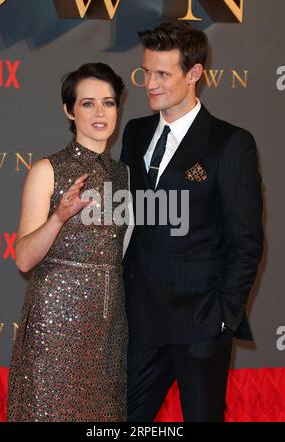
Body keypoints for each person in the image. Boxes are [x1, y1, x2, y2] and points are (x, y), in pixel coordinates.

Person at [120, 22, 263, 422]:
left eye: (162, 74)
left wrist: (221, 317)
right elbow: (130, 221)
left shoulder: (230, 143)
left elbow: (246, 241)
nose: (149, 83)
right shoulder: (135, 132)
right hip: (141, 321)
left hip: (199, 323)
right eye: (146, 71)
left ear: (194, 73)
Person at [7, 63, 129, 422]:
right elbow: (24, 259)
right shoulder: (47, 170)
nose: (100, 113)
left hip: (109, 328)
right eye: (88, 103)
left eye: (108, 102)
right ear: (69, 110)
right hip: (56, 325)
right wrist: (58, 218)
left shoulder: (123, 175)